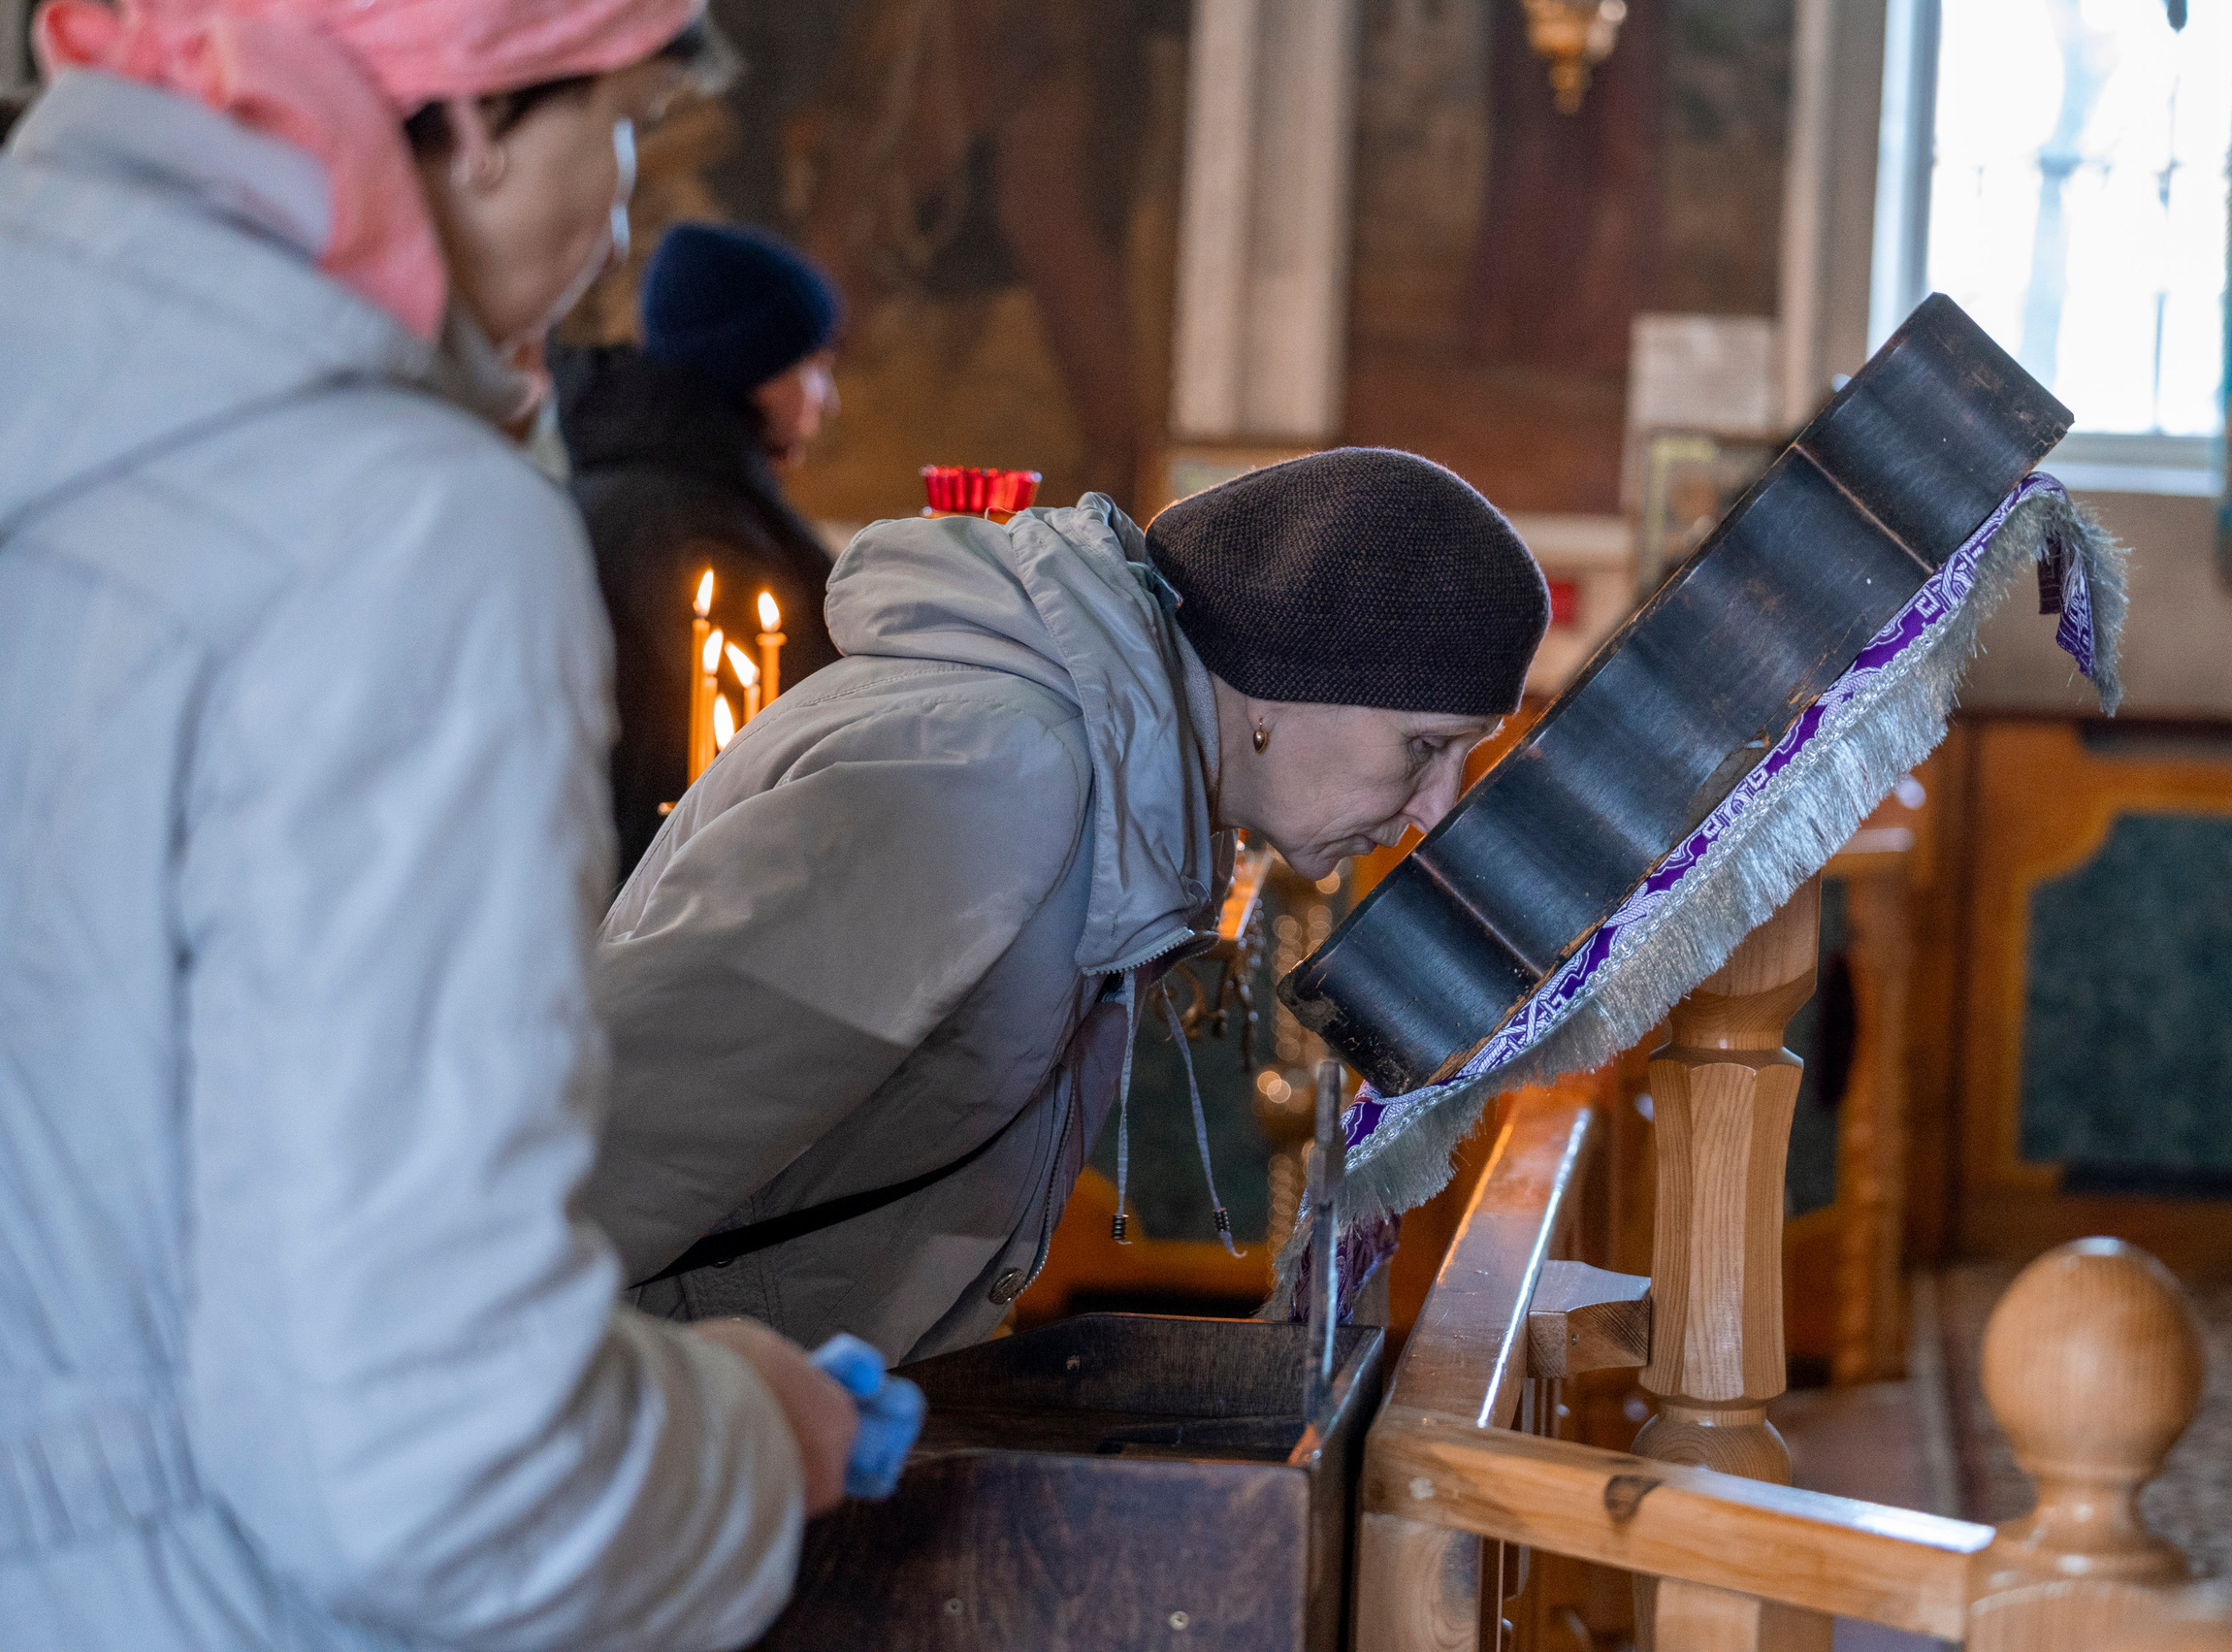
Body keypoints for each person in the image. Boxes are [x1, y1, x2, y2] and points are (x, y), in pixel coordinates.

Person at [0, 4, 860, 1649]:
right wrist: (750, 1436)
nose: (619, 216)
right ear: (467, 117)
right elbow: (427, 1452)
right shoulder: (394, 534)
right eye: (619, 120)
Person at [584, 448, 1551, 1362]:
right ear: (1284, 687)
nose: (1434, 807)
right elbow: (615, 1150)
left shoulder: (1101, 783)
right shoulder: (997, 772)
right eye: (1424, 747)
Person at [557, 222, 845, 878]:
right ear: (752, 363)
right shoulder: (698, 529)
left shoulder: (631, 485)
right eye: (814, 365)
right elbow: (770, 738)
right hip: (679, 884)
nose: (827, 401)